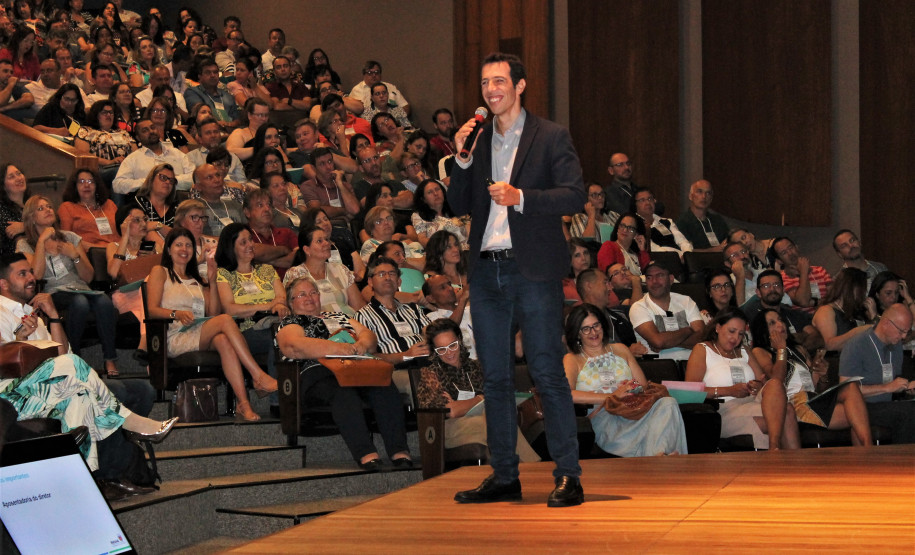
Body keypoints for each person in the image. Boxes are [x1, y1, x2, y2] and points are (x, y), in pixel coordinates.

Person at [448, 53, 584, 507]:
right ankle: (505, 475)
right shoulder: (478, 140)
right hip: (487, 271)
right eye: (485, 82)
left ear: (520, 85)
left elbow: (574, 193)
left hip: (533, 271)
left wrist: (521, 196)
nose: (491, 89)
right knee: (497, 378)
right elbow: (456, 204)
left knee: (547, 372)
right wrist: (461, 160)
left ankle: (569, 475)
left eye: (500, 80)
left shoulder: (551, 136)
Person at [275, 276, 412, 469]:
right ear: (291, 302)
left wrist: (361, 345)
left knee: (385, 386)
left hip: (356, 367)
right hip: (318, 373)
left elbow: (369, 337)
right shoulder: (291, 321)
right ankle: (366, 453)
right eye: (302, 294)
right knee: (342, 393)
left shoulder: (338, 317)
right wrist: (338, 348)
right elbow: (293, 346)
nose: (309, 298)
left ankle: (399, 451)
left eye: (313, 293)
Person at [148, 228, 277, 421]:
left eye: (189, 245)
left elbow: (213, 314)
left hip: (198, 330)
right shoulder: (161, 272)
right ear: (168, 249)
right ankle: (257, 376)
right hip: (175, 334)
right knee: (225, 321)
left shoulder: (196, 280)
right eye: (179, 244)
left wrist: (213, 280)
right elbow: (151, 309)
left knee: (224, 340)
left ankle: (243, 404)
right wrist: (176, 313)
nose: (184, 249)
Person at [15, 196, 121, 376]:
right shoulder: (25, 243)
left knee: (104, 301)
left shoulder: (70, 237)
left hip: (80, 288)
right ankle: (74, 357)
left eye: (49, 206)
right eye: (41, 208)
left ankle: (110, 359)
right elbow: (36, 276)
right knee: (79, 303)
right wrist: (41, 242)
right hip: (52, 292)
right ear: (31, 217)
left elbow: (88, 276)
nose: (48, 209)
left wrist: (75, 256)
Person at [563, 304, 687, 456]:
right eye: (586, 329)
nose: (593, 332)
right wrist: (613, 396)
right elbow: (566, 394)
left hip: (634, 409)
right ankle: (660, 459)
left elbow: (643, 386)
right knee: (658, 432)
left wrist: (630, 388)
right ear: (577, 333)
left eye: (596, 325)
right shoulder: (572, 359)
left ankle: (657, 459)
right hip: (606, 415)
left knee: (668, 403)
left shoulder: (621, 349)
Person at [417, 318, 540, 462]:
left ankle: (514, 472)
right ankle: (532, 466)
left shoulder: (476, 367)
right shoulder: (431, 374)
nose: (449, 352)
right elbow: (451, 411)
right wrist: (481, 398)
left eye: (453, 345)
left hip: (481, 422)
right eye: (441, 349)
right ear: (435, 351)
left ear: (460, 340)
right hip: (447, 429)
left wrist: (463, 405)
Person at [751, 308, 872, 445]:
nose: (780, 325)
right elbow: (777, 379)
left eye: (780, 320)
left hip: (812, 398)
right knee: (856, 415)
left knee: (851, 391)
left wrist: (822, 375)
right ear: (763, 330)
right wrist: (781, 350)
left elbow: (817, 387)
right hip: (793, 404)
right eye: (772, 323)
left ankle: (867, 451)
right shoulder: (760, 352)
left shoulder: (799, 349)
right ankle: (868, 452)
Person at [685, 307, 800, 450]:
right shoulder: (702, 349)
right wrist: (729, 391)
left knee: (776, 386)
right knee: (784, 414)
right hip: (722, 409)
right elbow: (690, 392)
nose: (735, 338)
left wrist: (758, 386)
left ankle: (776, 450)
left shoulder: (745, 350)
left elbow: (764, 381)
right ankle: (778, 452)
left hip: (753, 403)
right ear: (718, 327)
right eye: (731, 331)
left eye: (740, 334)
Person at [215, 223, 287, 405]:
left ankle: (292, 396)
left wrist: (275, 305)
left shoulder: (267, 270)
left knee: (282, 335)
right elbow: (230, 309)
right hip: (245, 330)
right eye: (243, 242)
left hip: (274, 323)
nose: (250, 245)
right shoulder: (225, 274)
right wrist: (267, 306)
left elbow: (281, 298)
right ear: (231, 248)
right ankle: (278, 402)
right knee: (277, 337)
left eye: (251, 240)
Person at [839, 304, 915, 444]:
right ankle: (904, 462)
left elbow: (894, 383)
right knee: (908, 412)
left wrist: (907, 387)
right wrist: (886, 388)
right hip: (862, 407)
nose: (904, 336)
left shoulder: (895, 345)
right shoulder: (857, 345)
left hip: (887, 404)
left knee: (908, 408)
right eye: (901, 331)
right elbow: (844, 390)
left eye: (907, 332)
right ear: (886, 323)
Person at [355, 256, 431, 366]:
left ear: (399, 281)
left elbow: (432, 335)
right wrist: (405, 355)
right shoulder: (363, 316)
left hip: (428, 362)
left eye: (392, 274)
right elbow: (368, 356)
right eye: (381, 274)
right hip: (397, 370)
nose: (387, 278)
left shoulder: (414, 309)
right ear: (370, 282)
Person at [629, 260, 705, 360]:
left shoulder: (686, 301)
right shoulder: (639, 307)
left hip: (692, 363)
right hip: (660, 367)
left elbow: (702, 338)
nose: (654, 281)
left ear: (671, 279)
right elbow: (657, 341)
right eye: (649, 277)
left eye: (660, 275)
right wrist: (688, 330)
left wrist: (665, 341)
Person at [283, 225, 365, 317]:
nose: (326, 243)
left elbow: (359, 306)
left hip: (350, 323)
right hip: (319, 326)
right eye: (319, 241)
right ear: (307, 249)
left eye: (326, 239)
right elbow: (295, 310)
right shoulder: (295, 274)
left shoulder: (341, 269)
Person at [741, 269, 824, 352]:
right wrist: (800, 337)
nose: (772, 289)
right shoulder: (753, 315)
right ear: (758, 292)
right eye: (766, 286)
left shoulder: (791, 312)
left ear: (783, 290)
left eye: (777, 285)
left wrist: (799, 351)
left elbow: (816, 336)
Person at [113, 118, 194, 195]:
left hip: (178, 201)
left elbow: (194, 177)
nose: (151, 131)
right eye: (145, 130)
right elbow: (118, 185)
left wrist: (170, 180)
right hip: (148, 203)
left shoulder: (176, 154)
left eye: (153, 127)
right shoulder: (133, 159)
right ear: (138, 137)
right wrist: (149, 182)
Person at [812, 268, 873, 352]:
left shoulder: (857, 310)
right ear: (851, 288)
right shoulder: (826, 311)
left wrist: (873, 317)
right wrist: (858, 331)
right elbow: (829, 345)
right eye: (862, 289)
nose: (864, 293)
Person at [57, 167, 118, 248]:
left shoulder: (109, 204)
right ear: (75, 186)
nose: (86, 185)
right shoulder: (67, 208)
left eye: (91, 181)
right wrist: (100, 248)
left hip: (117, 250)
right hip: (91, 254)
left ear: (97, 185)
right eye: (81, 182)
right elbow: (67, 240)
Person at [243, 188, 297, 278]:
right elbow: (254, 251)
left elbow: (297, 257)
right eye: (260, 205)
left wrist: (264, 261)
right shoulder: (243, 234)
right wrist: (284, 250)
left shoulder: (286, 232)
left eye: (268, 204)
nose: (267, 209)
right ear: (247, 212)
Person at [769, 236, 833, 313]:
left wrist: (813, 302)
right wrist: (804, 272)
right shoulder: (781, 280)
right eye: (784, 252)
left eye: (790, 248)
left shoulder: (820, 270)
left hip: (829, 314)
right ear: (779, 261)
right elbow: (803, 301)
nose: (790, 253)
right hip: (806, 321)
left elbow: (834, 297)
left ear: (796, 247)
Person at [126, 163, 177, 251]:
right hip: (142, 252)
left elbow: (181, 235)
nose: (168, 182)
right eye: (163, 177)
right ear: (151, 179)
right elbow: (139, 229)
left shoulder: (177, 207)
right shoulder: (138, 202)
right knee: (149, 232)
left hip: (175, 248)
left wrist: (158, 226)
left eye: (172, 181)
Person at [74, 99, 136, 168]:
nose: (109, 115)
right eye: (104, 112)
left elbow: (136, 154)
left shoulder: (123, 132)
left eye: (111, 112)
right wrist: (109, 162)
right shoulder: (86, 131)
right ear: (96, 115)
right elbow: (83, 156)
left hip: (126, 167)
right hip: (102, 169)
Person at [633, 187, 692, 258]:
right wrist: (676, 257)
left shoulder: (667, 221)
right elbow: (653, 249)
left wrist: (686, 256)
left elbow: (682, 242)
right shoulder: (634, 225)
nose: (647, 203)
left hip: (681, 258)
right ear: (635, 204)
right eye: (642, 200)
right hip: (660, 260)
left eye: (650, 199)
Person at [359, 205, 424, 268]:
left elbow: (425, 265)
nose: (386, 222)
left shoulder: (403, 244)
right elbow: (385, 265)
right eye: (379, 221)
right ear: (371, 228)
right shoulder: (369, 244)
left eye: (389, 218)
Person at [411, 179, 468, 248]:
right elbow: (422, 239)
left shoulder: (457, 208)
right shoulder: (418, 216)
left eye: (437, 189)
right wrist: (444, 247)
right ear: (423, 199)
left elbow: (470, 230)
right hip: (442, 252)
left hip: (468, 250)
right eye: (430, 192)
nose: (435, 194)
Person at [675, 179, 729, 251]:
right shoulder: (682, 222)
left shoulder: (718, 221)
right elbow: (686, 253)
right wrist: (713, 250)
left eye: (708, 193)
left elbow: (728, 243)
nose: (704, 196)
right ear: (691, 196)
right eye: (699, 192)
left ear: (711, 198)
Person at [867, 271, 915, 340]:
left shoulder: (903, 307)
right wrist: (874, 317)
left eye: (896, 292)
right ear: (877, 294)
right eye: (888, 293)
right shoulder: (870, 311)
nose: (894, 297)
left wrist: (908, 297)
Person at [226, 97, 270, 162]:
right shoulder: (240, 133)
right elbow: (230, 152)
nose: (264, 119)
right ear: (249, 115)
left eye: (266, 115)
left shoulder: (273, 133)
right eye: (260, 115)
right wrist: (259, 149)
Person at [0, 163, 29, 256]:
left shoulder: (33, 203)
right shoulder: (2, 209)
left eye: (19, 173)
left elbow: (51, 224)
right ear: (3, 186)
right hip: (14, 262)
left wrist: (25, 226)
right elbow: (11, 232)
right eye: (11, 177)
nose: (18, 178)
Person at [0, 58, 35, 122]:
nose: (9, 75)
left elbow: (29, 100)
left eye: (11, 72)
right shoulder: (11, 84)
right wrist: (10, 85)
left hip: (29, 122)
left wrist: (5, 108)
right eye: (5, 71)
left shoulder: (16, 86)